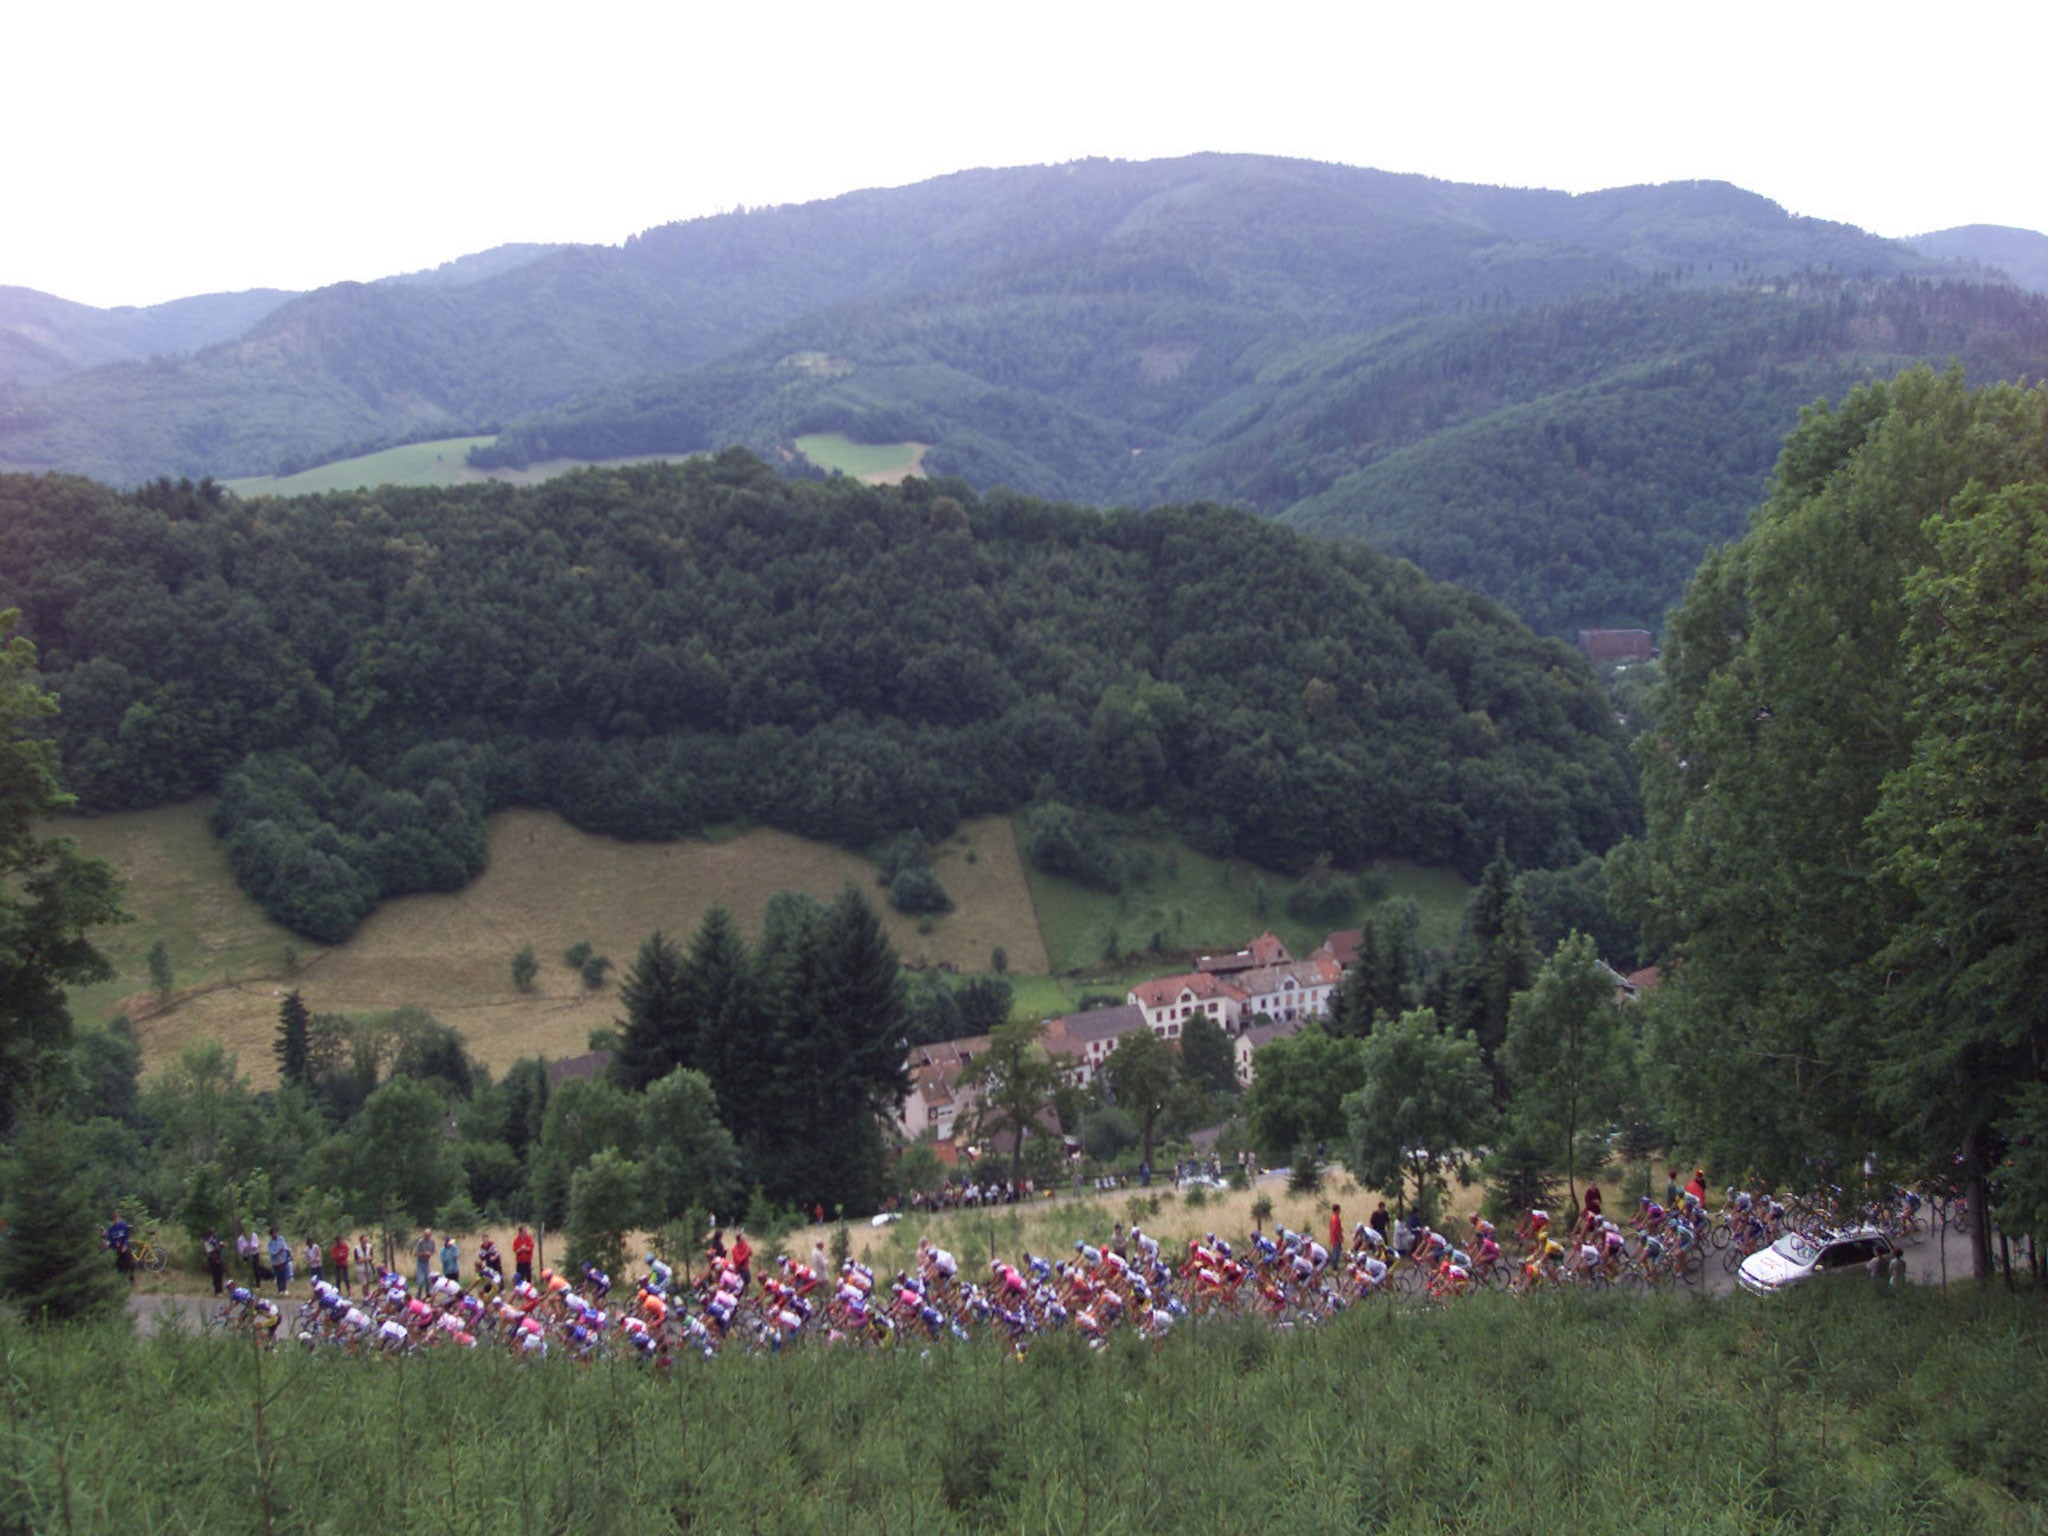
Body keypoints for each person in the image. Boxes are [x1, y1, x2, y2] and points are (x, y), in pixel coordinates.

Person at [104, 1211, 134, 1284]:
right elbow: (109, 1240)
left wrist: (125, 1245)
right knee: (119, 1267)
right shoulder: (111, 1229)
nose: (116, 1221)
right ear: (112, 1221)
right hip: (116, 1250)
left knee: (130, 1264)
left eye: (117, 1219)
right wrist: (108, 1244)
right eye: (114, 1219)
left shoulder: (123, 1226)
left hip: (124, 1248)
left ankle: (132, 1280)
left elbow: (127, 1237)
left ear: (119, 1218)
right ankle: (121, 1282)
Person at [267, 1229, 293, 1295]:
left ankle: (284, 1289)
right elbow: (272, 1252)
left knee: (284, 1275)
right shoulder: (270, 1243)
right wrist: (279, 1250)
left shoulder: (281, 1238)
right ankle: (280, 1290)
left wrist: (288, 1252)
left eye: (275, 1233)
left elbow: (285, 1247)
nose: (274, 1234)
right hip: (276, 1262)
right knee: (279, 1276)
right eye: (273, 1234)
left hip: (284, 1259)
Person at [203, 1229, 226, 1294]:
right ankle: (217, 1290)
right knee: (215, 1275)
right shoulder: (207, 1241)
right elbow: (209, 1251)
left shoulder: (218, 1239)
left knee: (220, 1274)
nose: (215, 1234)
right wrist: (216, 1248)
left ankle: (220, 1289)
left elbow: (222, 1246)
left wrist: (220, 1246)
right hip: (212, 1259)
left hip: (218, 1258)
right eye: (213, 1233)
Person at [414, 1229, 435, 1293]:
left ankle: (428, 1295)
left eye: (428, 1235)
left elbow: (433, 1251)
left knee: (428, 1280)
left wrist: (430, 1254)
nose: (427, 1236)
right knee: (421, 1281)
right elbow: (416, 1253)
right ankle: (419, 1294)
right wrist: (424, 1253)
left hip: (426, 1262)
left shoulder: (432, 1242)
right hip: (420, 1262)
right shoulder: (420, 1242)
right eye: (426, 1235)